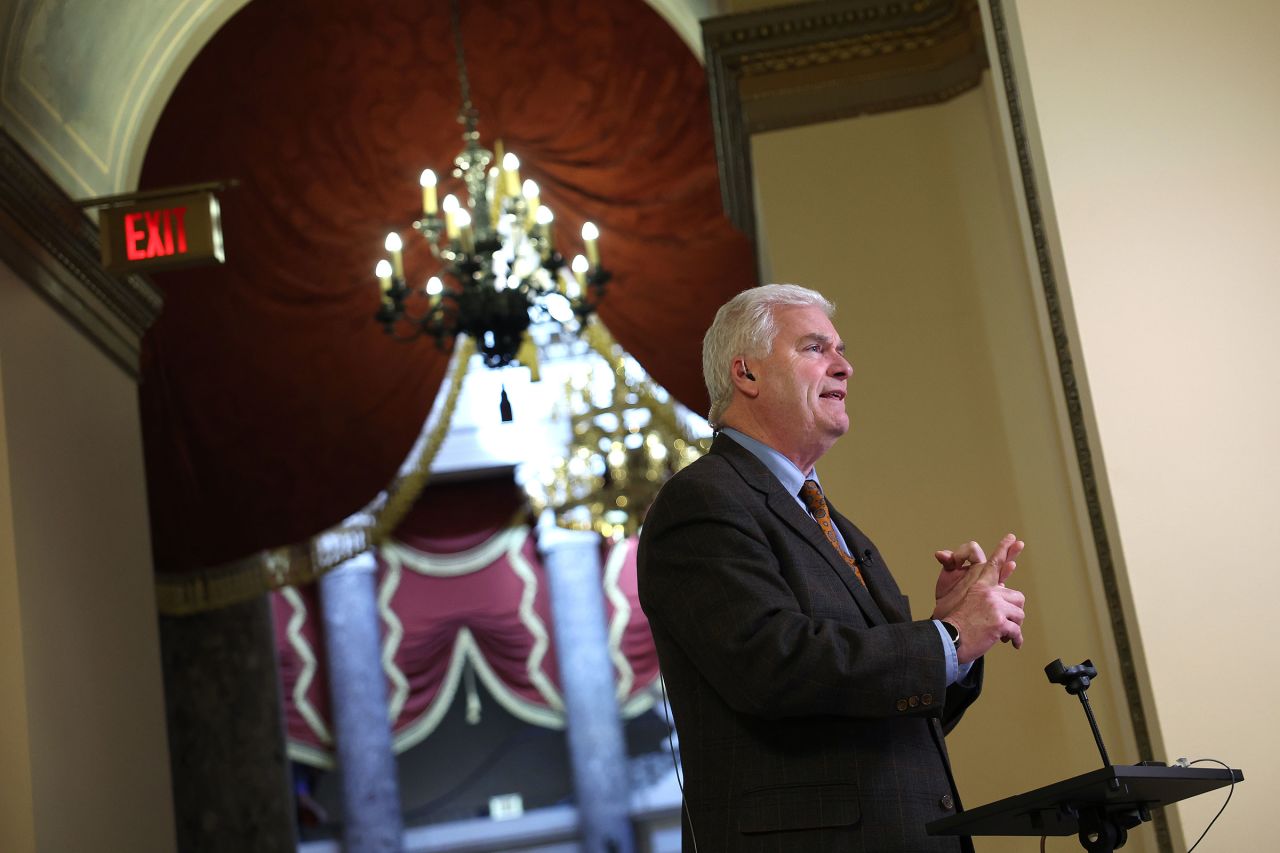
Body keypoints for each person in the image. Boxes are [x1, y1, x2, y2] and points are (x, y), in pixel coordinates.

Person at [637, 284, 1027, 852]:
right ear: (746, 375)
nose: (845, 366)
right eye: (816, 349)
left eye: (839, 349)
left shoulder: (828, 518)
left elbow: (894, 713)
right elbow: (775, 666)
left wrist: (947, 635)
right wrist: (946, 639)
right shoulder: (703, 502)